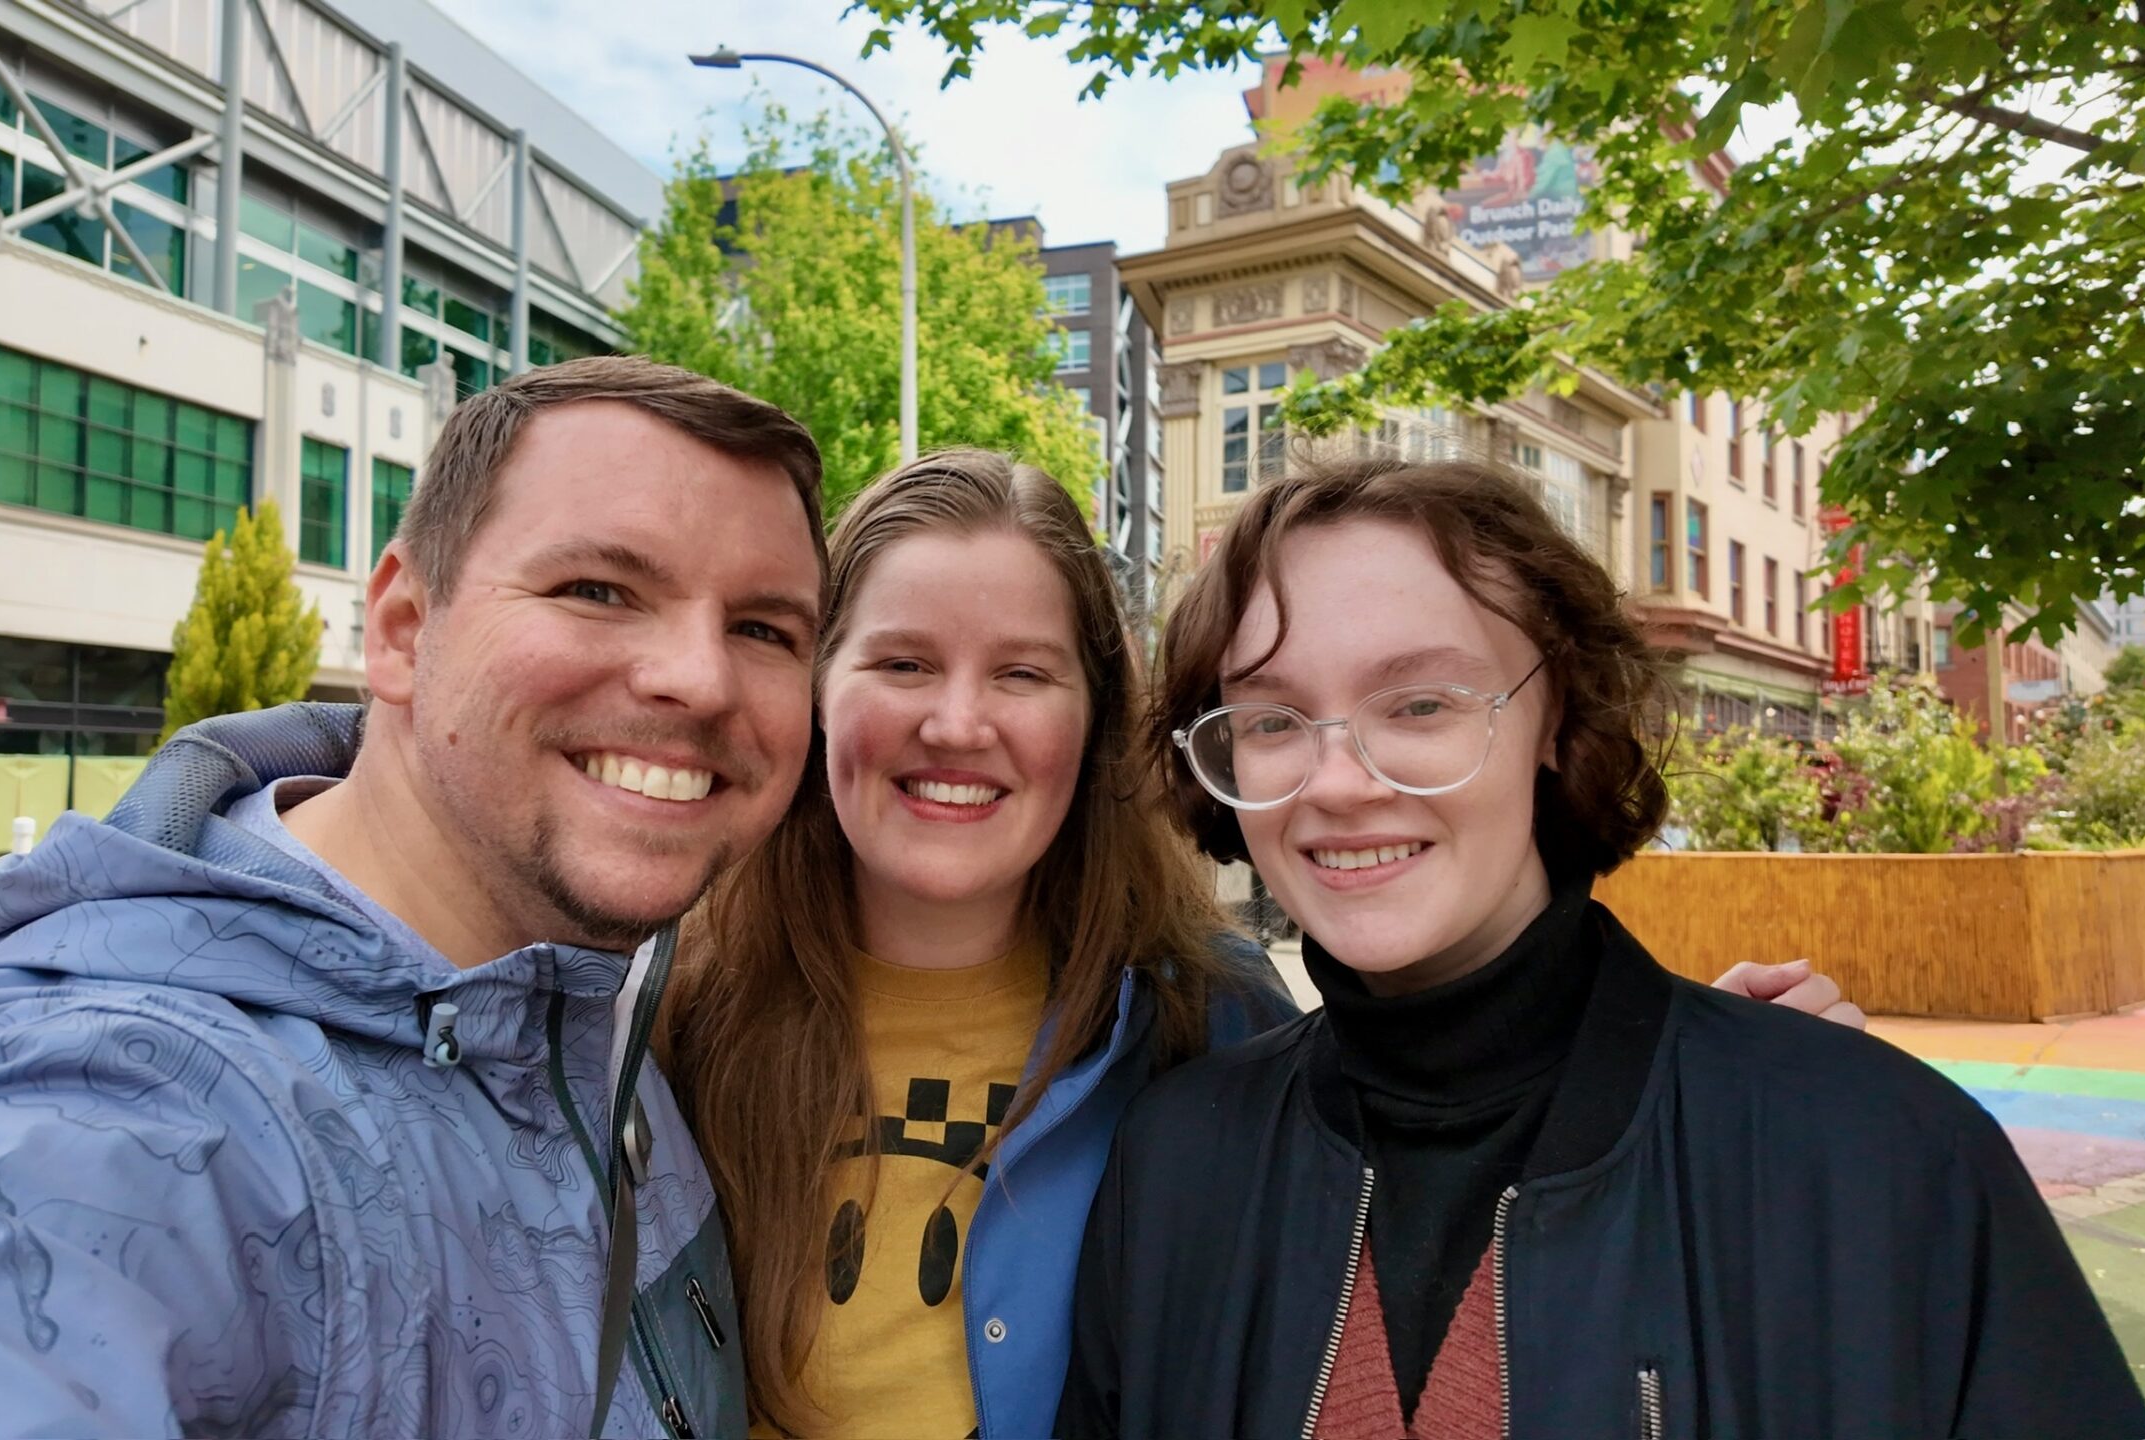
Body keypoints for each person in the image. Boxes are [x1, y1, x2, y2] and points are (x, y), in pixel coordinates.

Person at [0, 357, 828, 1437]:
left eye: (764, 629)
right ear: (401, 630)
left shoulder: (621, 1011)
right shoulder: (120, 1102)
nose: (699, 677)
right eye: (597, 589)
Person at [663, 450, 1864, 1440]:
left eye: (1022, 672)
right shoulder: (665, 1018)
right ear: (819, 688)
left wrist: (1702, 1090)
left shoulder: (1203, 1017)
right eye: (901, 661)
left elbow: (1444, 1129)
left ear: (1095, 719)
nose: (956, 721)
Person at [1057, 456, 2145, 1439]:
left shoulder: (1878, 1161)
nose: (1337, 782)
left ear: (1558, 719)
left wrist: (1775, 1117)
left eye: (1422, 703)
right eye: (1271, 719)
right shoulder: (1175, 1167)